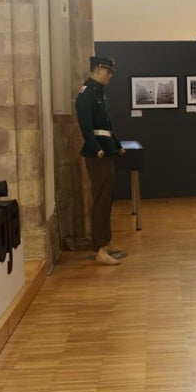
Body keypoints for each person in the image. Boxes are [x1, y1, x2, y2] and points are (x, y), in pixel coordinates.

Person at [75, 55, 125, 266]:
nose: (110, 75)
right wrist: (96, 150)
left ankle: (106, 241)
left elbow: (108, 124)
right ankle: (99, 249)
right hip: (97, 154)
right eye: (107, 71)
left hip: (107, 150)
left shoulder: (99, 93)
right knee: (101, 199)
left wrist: (117, 144)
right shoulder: (86, 95)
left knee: (108, 197)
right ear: (96, 70)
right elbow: (86, 127)